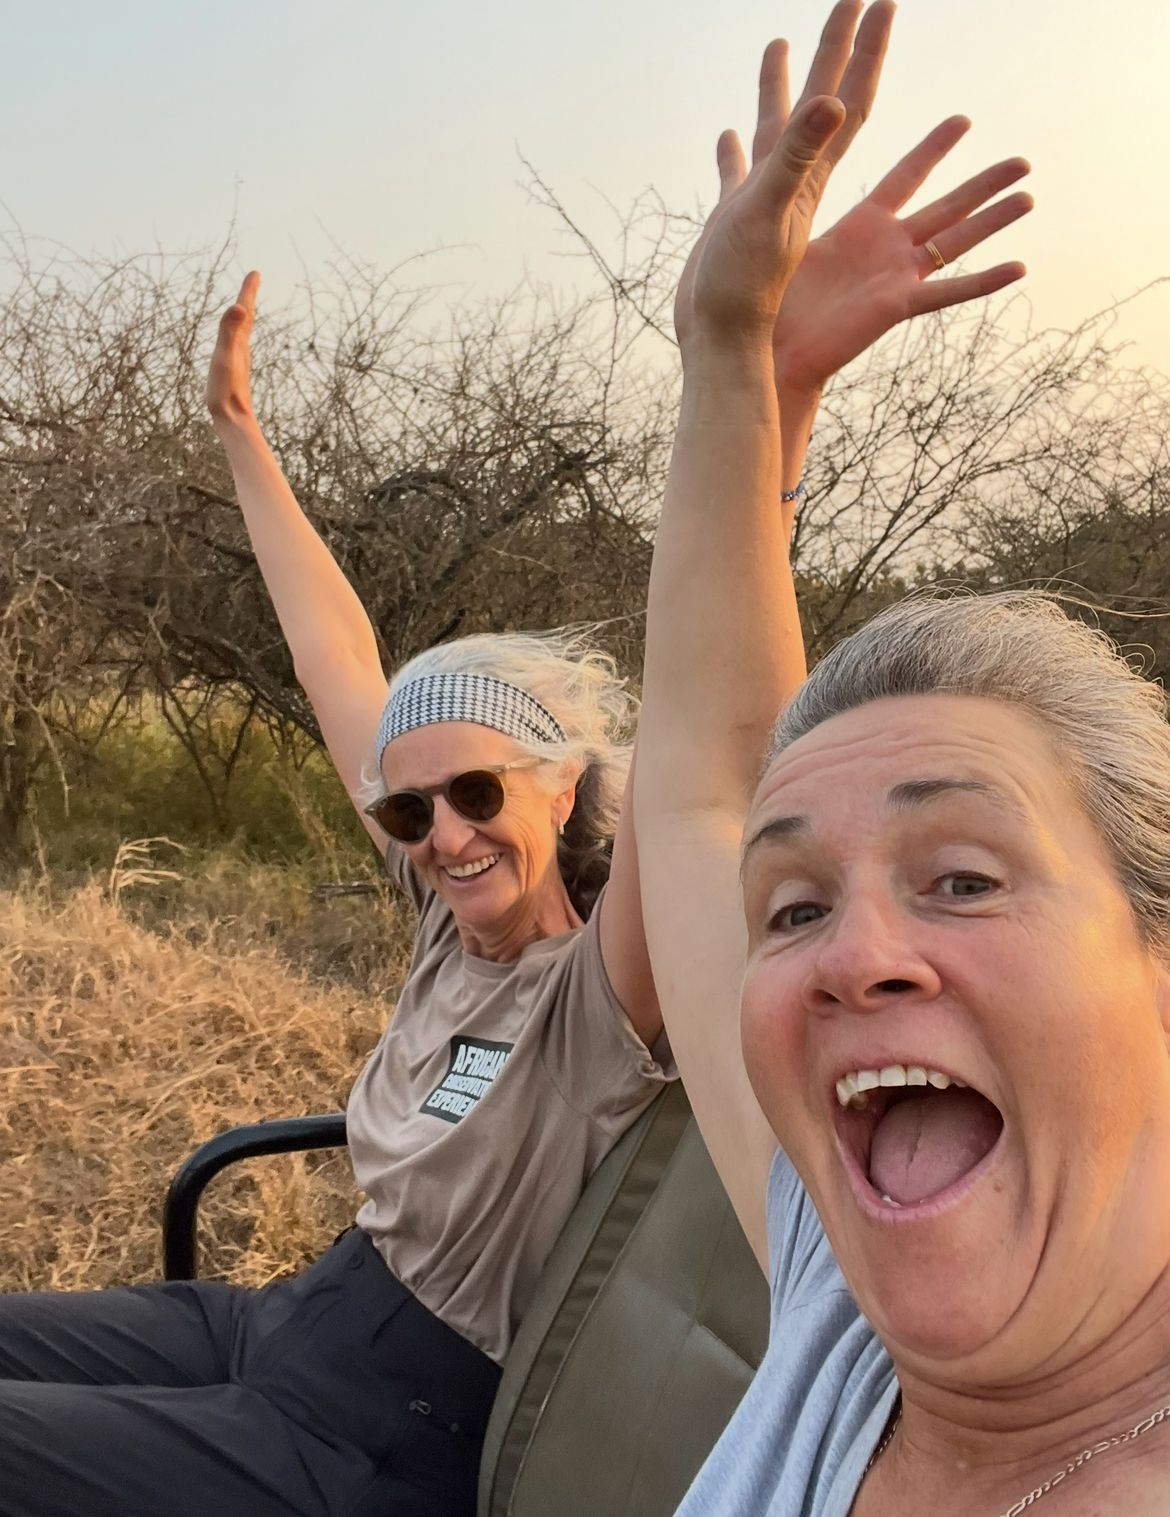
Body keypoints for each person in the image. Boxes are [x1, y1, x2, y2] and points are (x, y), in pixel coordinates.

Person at [0, 7, 1030, 1514]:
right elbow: (335, 659)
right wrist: (240, 440)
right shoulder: (440, 898)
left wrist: (765, 393)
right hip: (286, 1316)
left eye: (479, 791)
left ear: (567, 783)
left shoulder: (602, 987)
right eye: (411, 807)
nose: (443, 831)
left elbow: (709, 742)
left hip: (375, 1431)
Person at [635, 3, 1170, 1514]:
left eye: (959, 876)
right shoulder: (842, 1309)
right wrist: (728, 356)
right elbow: (699, 784)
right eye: (793, 907)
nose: (852, 953)